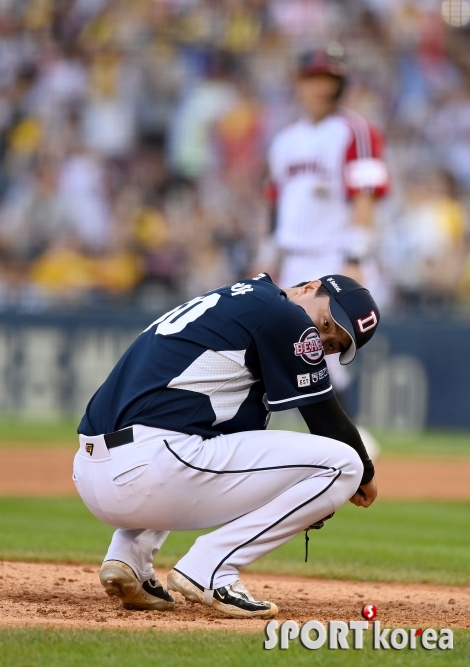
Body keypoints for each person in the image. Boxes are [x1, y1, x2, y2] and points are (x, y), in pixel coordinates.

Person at [73, 272, 380, 619]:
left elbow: (233, 443)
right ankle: (211, 570)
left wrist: (292, 491)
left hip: (93, 469)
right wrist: (364, 474)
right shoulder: (285, 316)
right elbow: (326, 422)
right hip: (150, 466)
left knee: (202, 440)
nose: (322, 338)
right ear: (311, 287)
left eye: (333, 345)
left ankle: (128, 557)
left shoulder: (244, 300)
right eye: (327, 322)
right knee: (344, 465)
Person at [260, 43, 389, 399]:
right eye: (314, 77)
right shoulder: (284, 141)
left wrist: (357, 257)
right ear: (299, 82)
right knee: (290, 353)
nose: (322, 86)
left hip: (333, 256)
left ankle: (347, 445)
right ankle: (341, 443)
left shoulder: (355, 130)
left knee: (321, 355)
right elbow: (275, 207)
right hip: (293, 259)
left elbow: (366, 194)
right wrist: (266, 260)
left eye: (329, 78)